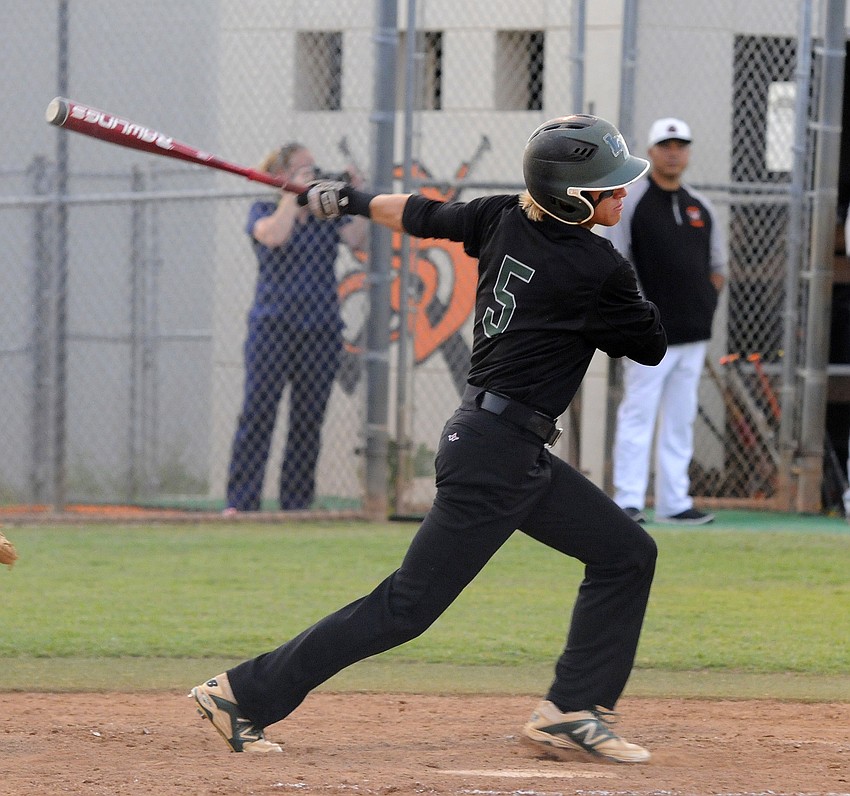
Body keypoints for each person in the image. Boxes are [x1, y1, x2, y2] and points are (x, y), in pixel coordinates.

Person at [192, 114, 667, 763]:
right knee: (404, 607)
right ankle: (242, 695)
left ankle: (572, 710)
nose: (620, 195)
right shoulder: (595, 266)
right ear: (571, 197)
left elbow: (420, 214)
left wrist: (349, 200)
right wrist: (631, 290)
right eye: (608, 188)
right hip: (496, 455)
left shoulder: (504, 216)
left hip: (502, 445)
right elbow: (650, 345)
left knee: (626, 554)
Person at [223, 143, 368, 513]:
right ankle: (241, 503)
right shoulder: (266, 209)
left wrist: (355, 195)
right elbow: (274, 236)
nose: (314, 174)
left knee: (307, 420)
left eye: (314, 169)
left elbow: (358, 240)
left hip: (320, 329)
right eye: (305, 170)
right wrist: (292, 196)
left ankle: (296, 504)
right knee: (258, 413)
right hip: (273, 326)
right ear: (283, 176)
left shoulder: (326, 216)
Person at [602, 118, 726, 526]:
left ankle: (675, 502)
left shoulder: (701, 206)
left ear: (687, 152)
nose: (674, 152)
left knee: (681, 417)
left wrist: (705, 305)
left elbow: (717, 267)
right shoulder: (632, 201)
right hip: (649, 337)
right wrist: (635, 316)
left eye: (681, 145)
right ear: (651, 151)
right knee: (638, 412)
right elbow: (617, 261)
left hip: (693, 335)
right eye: (665, 144)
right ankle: (629, 500)